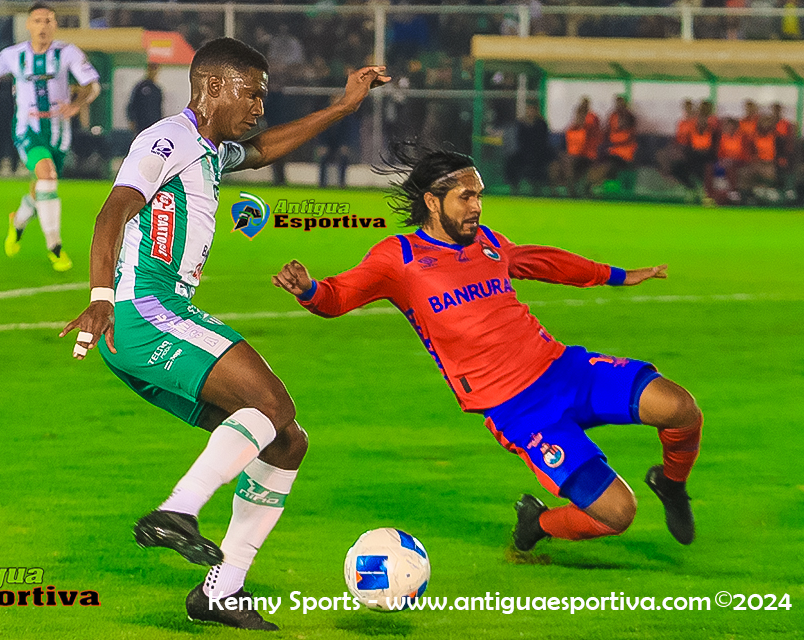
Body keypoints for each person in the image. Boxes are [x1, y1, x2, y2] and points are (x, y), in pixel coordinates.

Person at [59, 37, 388, 631]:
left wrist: (343, 107)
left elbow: (262, 150)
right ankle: (177, 510)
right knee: (273, 405)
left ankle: (221, 590)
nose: (260, 106)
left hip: (156, 318)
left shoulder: (210, 151)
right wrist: (101, 298)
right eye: (252, 93)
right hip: (143, 311)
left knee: (285, 442)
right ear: (212, 86)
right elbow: (113, 211)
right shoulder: (167, 140)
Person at [273, 143, 703, 557]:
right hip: (519, 409)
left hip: (564, 369)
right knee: (618, 513)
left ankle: (671, 484)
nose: (477, 206)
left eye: (479, 195)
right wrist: (309, 289)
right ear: (432, 202)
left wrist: (616, 275)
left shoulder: (488, 242)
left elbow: (544, 261)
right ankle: (537, 523)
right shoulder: (398, 258)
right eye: (466, 196)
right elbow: (337, 297)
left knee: (681, 408)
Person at [0, 2, 101, 271]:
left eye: (48, 21)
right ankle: (55, 247)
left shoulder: (67, 53)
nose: (42, 26)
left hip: (58, 131)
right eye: (37, 21)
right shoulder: (13, 55)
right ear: (28, 25)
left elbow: (92, 86)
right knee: (47, 175)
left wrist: (77, 105)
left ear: (55, 25)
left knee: (43, 186)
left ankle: (18, 221)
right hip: (28, 128)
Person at [503, 99, 551, 194]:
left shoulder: (541, 124)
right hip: (523, 152)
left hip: (538, 153)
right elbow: (519, 140)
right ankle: (514, 186)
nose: (531, 112)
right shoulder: (520, 124)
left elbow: (542, 141)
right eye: (529, 109)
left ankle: (536, 187)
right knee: (511, 161)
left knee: (538, 163)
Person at [588, 95, 637, 188]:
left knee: (609, 163)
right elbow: (607, 133)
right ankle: (595, 182)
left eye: (621, 104)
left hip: (625, 153)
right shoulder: (613, 116)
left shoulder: (629, 118)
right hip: (611, 149)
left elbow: (624, 138)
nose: (619, 106)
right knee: (598, 154)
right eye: (617, 104)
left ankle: (599, 182)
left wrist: (611, 144)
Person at [127, 62, 164, 133]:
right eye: (151, 69)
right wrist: (132, 120)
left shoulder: (156, 89)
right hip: (141, 123)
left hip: (154, 123)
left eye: (155, 69)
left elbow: (159, 108)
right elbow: (132, 104)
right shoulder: (141, 87)